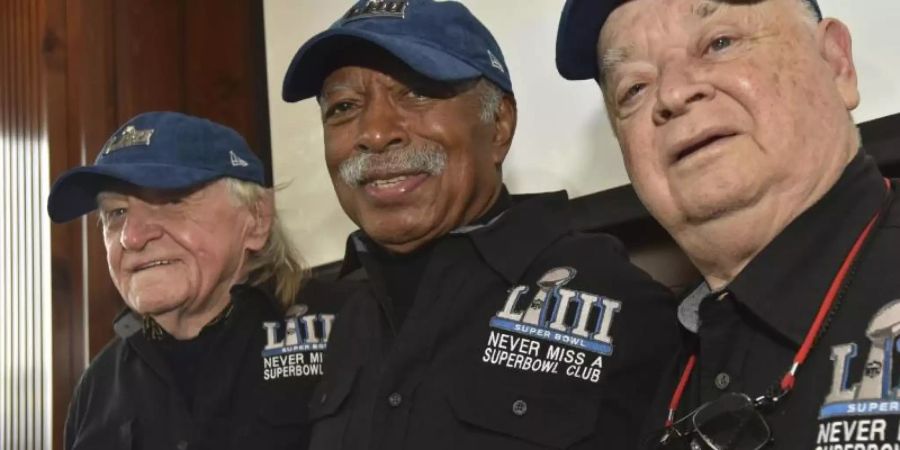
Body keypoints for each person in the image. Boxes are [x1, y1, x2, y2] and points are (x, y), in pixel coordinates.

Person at [281, 1, 682, 449]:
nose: (374, 132)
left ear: (498, 125)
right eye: (343, 107)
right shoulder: (340, 323)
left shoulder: (616, 300)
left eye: (416, 92)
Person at [556, 0, 900, 448]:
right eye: (634, 88)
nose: (672, 94)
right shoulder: (642, 369)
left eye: (720, 43)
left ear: (835, 64)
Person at [50, 111, 343, 450]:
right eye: (116, 213)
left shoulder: (351, 329)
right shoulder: (98, 386)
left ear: (257, 218)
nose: (132, 237)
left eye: (172, 200)